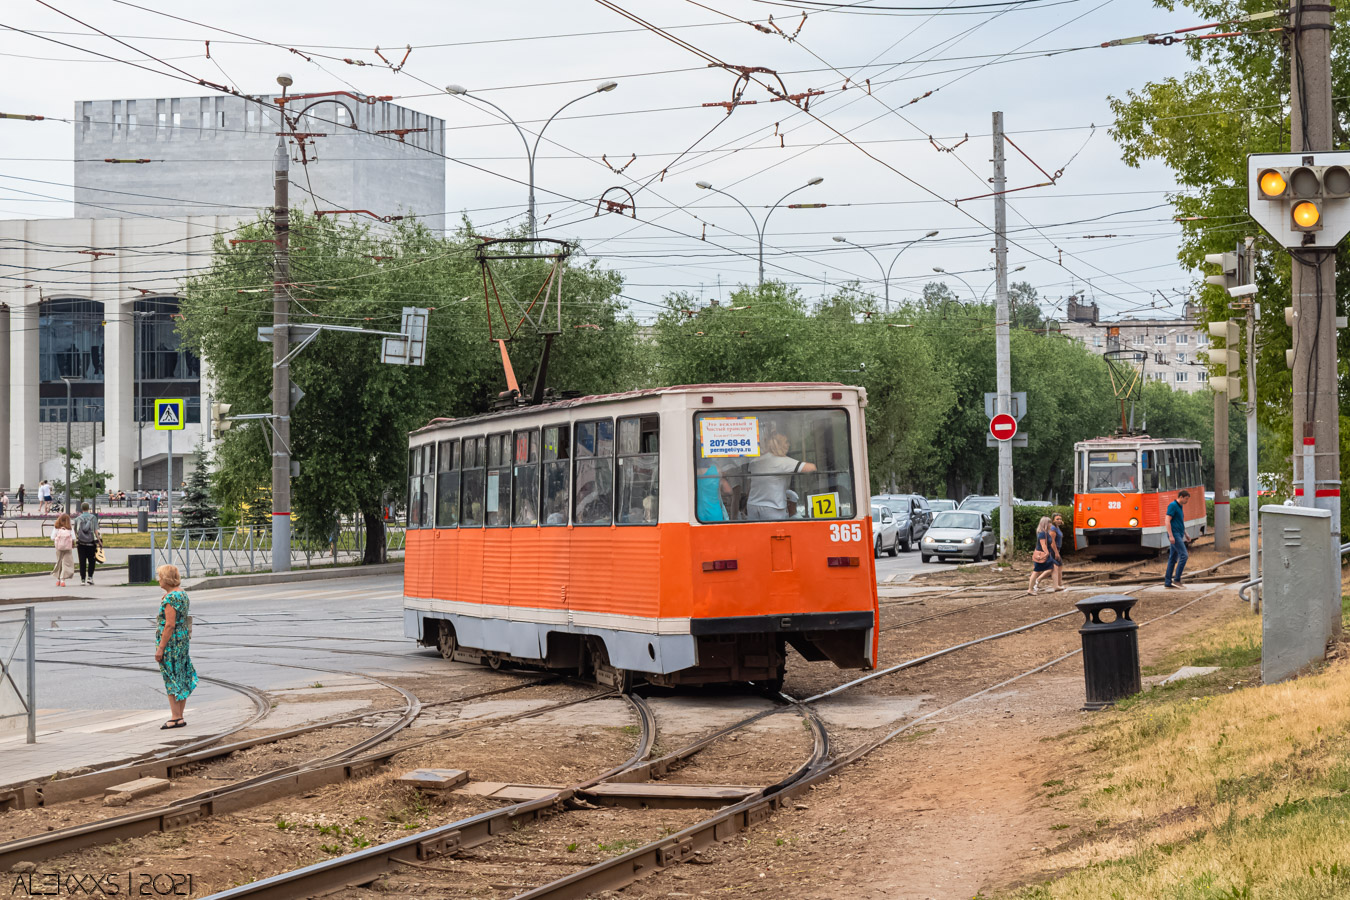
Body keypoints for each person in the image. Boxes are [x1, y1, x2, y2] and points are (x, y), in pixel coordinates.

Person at [153, 564, 197, 729]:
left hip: (172, 644)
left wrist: (160, 648)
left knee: (171, 678)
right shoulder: (183, 594)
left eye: (160, 577)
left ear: (166, 579)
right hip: (182, 641)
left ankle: (175, 716)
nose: (159, 580)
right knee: (181, 675)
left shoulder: (170, 598)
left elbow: (169, 625)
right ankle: (179, 716)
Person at [746, 433, 817, 521]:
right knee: (773, 534)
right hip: (773, 508)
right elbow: (812, 468)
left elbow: (750, 485)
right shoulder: (784, 461)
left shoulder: (754, 461)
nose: (789, 445)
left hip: (752, 505)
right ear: (779, 445)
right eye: (786, 442)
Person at [1164, 489, 1191, 588]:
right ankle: (1177, 579)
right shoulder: (1173, 506)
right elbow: (1167, 520)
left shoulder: (1180, 506)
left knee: (1173, 558)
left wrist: (1186, 534)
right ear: (1181, 497)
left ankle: (1167, 582)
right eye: (1186, 499)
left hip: (1179, 534)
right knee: (1184, 555)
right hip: (1174, 535)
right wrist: (1170, 535)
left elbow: (1180, 522)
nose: (1187, 502)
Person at [73, 502, 101, 585]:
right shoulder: (93, 518)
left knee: (82, 561)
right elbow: (96, 530)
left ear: (81, 509)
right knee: (92, 561)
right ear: (88, 508)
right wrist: (99, 540)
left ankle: (82, 579)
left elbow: (75, 531)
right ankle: (90, 577)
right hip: (91, 543)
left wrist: (73, 541)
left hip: (81, 543)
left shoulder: (77, 519)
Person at [1028, 516, 1056, 595]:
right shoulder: (1042, 533)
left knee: (1049, 569)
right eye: (1049, 523)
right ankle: (1030, 589)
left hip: (1044, 554)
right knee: (1036, 571)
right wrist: (1047, 553)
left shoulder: (1045, 533)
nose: (1051, 524)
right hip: (1042, 555)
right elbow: (1043, 545)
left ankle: (1038, 580)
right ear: (1045, 524)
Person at [51, 512, 74, 587]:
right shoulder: (69, 528)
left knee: (59, 562)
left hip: (59, 547)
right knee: (66, 563)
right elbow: (74, 538)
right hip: (67, 548)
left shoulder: (56, 527)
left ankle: (58, 579)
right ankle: (63, 579)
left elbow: (52, 537)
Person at [1051, 513, 1066, 591]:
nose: (1059, 520)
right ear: (1053, 520)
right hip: (1054, 549)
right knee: (1055, 568)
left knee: (1059, 566)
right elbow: (1052, 542)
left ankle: (1059, 584)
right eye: (1057, 519)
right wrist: (1056, 552)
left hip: (1057, 549)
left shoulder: (1057, 528)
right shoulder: (1053, 528)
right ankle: (1056, 585)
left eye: (1060, 519)